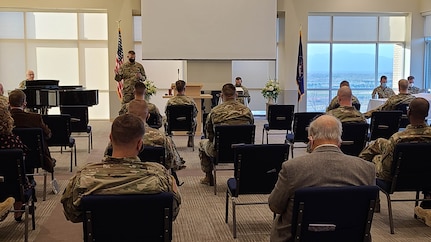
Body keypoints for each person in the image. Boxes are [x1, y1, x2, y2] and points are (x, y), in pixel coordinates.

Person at [268, 114, 376, 242]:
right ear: (339, 140)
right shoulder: (367, 169)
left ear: (311, 139)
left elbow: (275, 206)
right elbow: (369, 211)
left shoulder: (292, 168)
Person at [61, 114, 181, 223]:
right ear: (140, 144)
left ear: (110, 138)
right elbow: (172, 213)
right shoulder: (160, 176)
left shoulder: (84, 177)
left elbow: (71, 213)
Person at [359, 97, 431, 215]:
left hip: (396, 181)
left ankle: (373, 201)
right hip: (427, 179)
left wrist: (377, 160)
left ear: (409, 112)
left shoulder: (398, 139)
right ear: (427, 114)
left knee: (374, 158)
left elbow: (387, 171)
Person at [199, 83, 254, 185]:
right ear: (236, 95)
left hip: (219, 152)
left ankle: (208, 177)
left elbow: (209, 135)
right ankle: (241, 176)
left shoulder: (215, 112)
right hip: (243, 150)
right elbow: (251, 130)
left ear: (221, 95)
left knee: (202, 143)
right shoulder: (247, 111)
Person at [128, 99, 186, 170]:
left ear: (127, 115)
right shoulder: (162, 138)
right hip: (155, 177)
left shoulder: (118, 138)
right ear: (148, 116)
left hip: (125, 177)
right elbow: (173, 164)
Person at [8, 89, 56, 173]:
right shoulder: (35, 118)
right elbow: (48, 134)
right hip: (35, 157)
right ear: (24, 103)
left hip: (9, 157)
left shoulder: (4, 120)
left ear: (9, 103)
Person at [0, 106, 33, 221]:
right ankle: (17, 213)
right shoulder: (13, 140)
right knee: (18, 179)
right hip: (13, 186)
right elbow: (25, 155)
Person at [165, 80, 198, 147]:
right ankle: (191, 139)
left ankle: (169, 140)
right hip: (187, 124)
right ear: (184, 89)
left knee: (165, 121)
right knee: (195, 120)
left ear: (176, 89)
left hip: (173, 124)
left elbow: (166, 113)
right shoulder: (190, 101)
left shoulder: (170, 101)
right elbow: (195, 113)